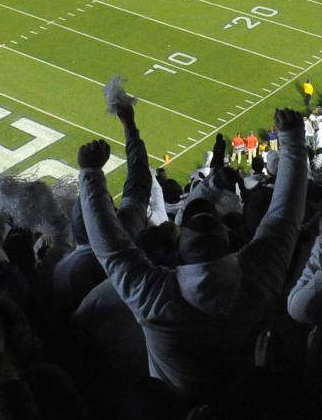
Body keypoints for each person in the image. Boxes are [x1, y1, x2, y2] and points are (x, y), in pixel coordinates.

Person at [76, 107, 308, 403]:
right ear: (229, 240)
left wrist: (91, 173)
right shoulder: (260, 274)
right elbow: (286, 214)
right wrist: (292, 139)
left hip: (177, 405)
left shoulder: (156, 299)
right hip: (248, 396)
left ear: (178, 252)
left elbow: (108, 246)